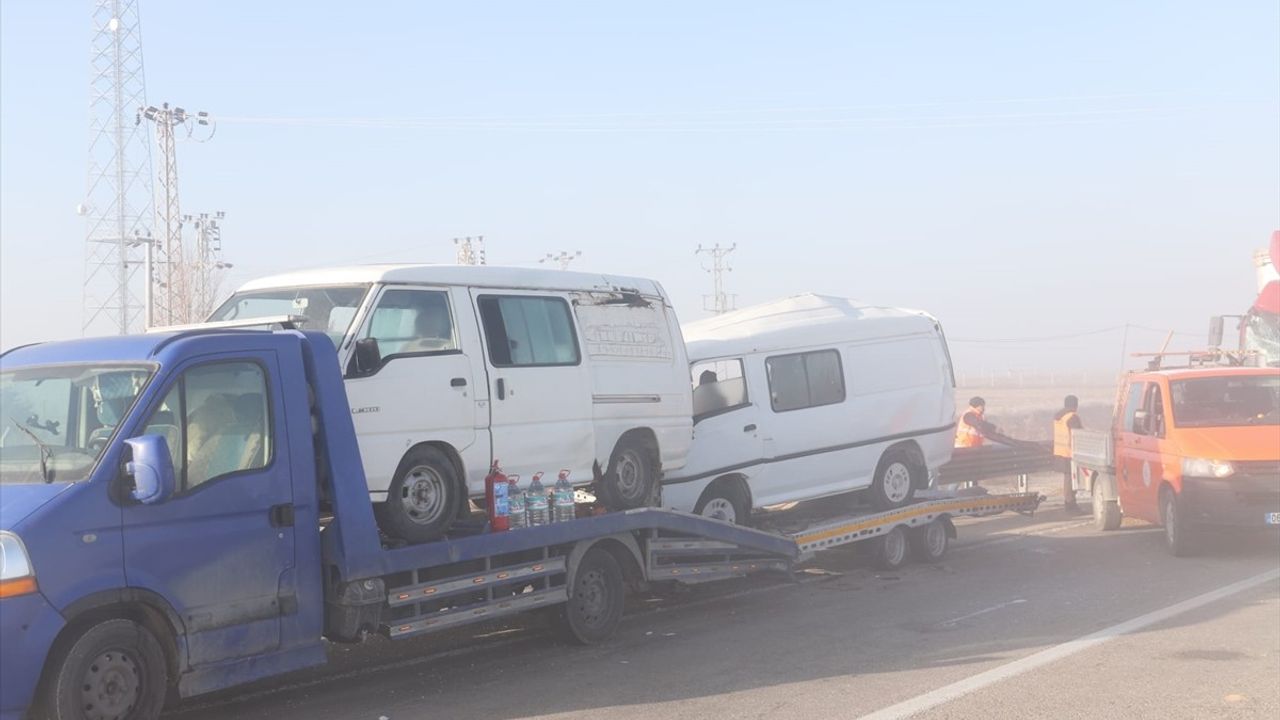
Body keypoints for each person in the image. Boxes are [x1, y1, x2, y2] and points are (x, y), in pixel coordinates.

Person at [1053, 395, 1085, 514]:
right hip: (1069, 452)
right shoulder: (1072, 417)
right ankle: (1070, 504)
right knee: (1071, 480)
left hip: (1059, 451)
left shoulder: (1058, 416)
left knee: (1068, 479)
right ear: (1075, 405)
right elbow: (1078, 434)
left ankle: (1069, 502)